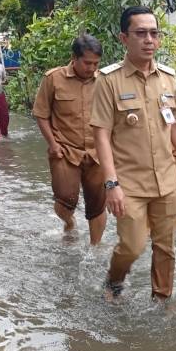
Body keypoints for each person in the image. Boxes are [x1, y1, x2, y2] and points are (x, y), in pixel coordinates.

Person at [91, 6, 176, 302]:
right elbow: (101, 135)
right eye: (141, 33)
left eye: (154, 33)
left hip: (167, 180)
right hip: (129, 184)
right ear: (124, 38)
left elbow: (175, 127)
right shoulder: (109, 81)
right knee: (132, 246)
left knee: (166, 247)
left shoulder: (168, 78)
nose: (149, 40)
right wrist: (111, 184)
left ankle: (162, 299)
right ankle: (114, 280)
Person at [32, 34, 108, 245]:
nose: (92, 68)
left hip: (97, 151)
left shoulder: (105, 81)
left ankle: (95, 248)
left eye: (96, 63)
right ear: (74, 58)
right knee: (65, 199)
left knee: (98, 204)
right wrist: (53, 144)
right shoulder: (53, 79)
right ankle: (69, 221)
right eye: (87, 63)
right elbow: (41, 114)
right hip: (64, 150)